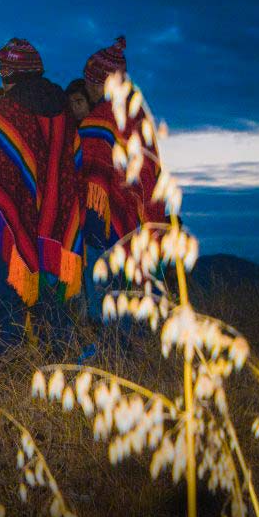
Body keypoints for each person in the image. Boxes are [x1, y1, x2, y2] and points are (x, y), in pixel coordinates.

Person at [0, 39, 83, 352]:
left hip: (9, 229)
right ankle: (61, 373)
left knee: (9, 311)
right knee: (55, 313)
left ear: (7, 74)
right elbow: (74, 167)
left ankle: (12, 372)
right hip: (57, 228)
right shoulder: (64, 113)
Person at [77, 37, 164, 321]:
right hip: (136, 227)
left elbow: (88, 181)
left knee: (104, 306)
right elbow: (151, 176)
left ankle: (113, 358)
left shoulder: (98, 121)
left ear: (98, 82)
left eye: (90, 81)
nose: (88, 87)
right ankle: (132, 360)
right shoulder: (140, 118)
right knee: (130, 303)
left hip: (102, 230)